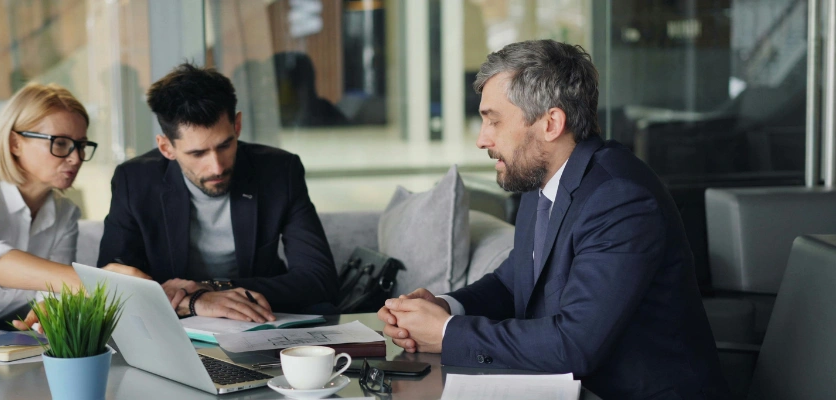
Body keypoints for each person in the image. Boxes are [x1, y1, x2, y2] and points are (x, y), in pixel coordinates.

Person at [378, 40, 731, 399]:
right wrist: (447, 307)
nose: (482, 139)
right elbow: (514, 280)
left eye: (493, 121)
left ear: (550, 123)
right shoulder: (542, 183)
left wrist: (446, 333)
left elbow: (576, 345)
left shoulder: (620, 198)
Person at [97, 63, 337, 323]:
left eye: (225, 145)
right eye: (198, 153)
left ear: (237, 125)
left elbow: (319, 279)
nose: (217, 166)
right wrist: (195, 303)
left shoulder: (279, 172)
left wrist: (212, 289)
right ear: (166, 147)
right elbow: (112, 279)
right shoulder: (134, 181)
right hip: (175, 325)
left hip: (257, 320)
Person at [0, 83, 148, 335]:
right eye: (60, 143)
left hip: (8, 330)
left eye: (81, 145)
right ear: (15, 143)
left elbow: (52, 290)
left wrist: (50, 304)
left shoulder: (64, 212)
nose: (76, 158)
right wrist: (96, 282)